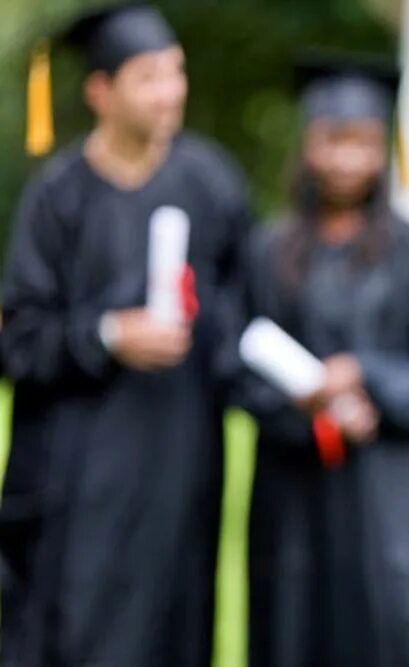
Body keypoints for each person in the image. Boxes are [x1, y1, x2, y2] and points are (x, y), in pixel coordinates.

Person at [0, 4, 252, 665]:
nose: (170, 92)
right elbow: (18, 339)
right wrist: (109, 334)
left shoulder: (212, 183)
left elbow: (244, 319)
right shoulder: (57, 196)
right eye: (148, 77)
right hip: (76, 480)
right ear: (100, 92)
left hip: (178, 468)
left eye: (176, 72)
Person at [238, 54, 409, 667]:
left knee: (395, 635)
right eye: (332, 140)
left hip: (396, 493)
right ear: (307, 145)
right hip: (297, 494)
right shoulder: (268, 251)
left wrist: (367, 376)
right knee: (296, 629)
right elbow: (236, 364)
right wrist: (307, 407)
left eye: (363, 143)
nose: (347, 159)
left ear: (382, 150)